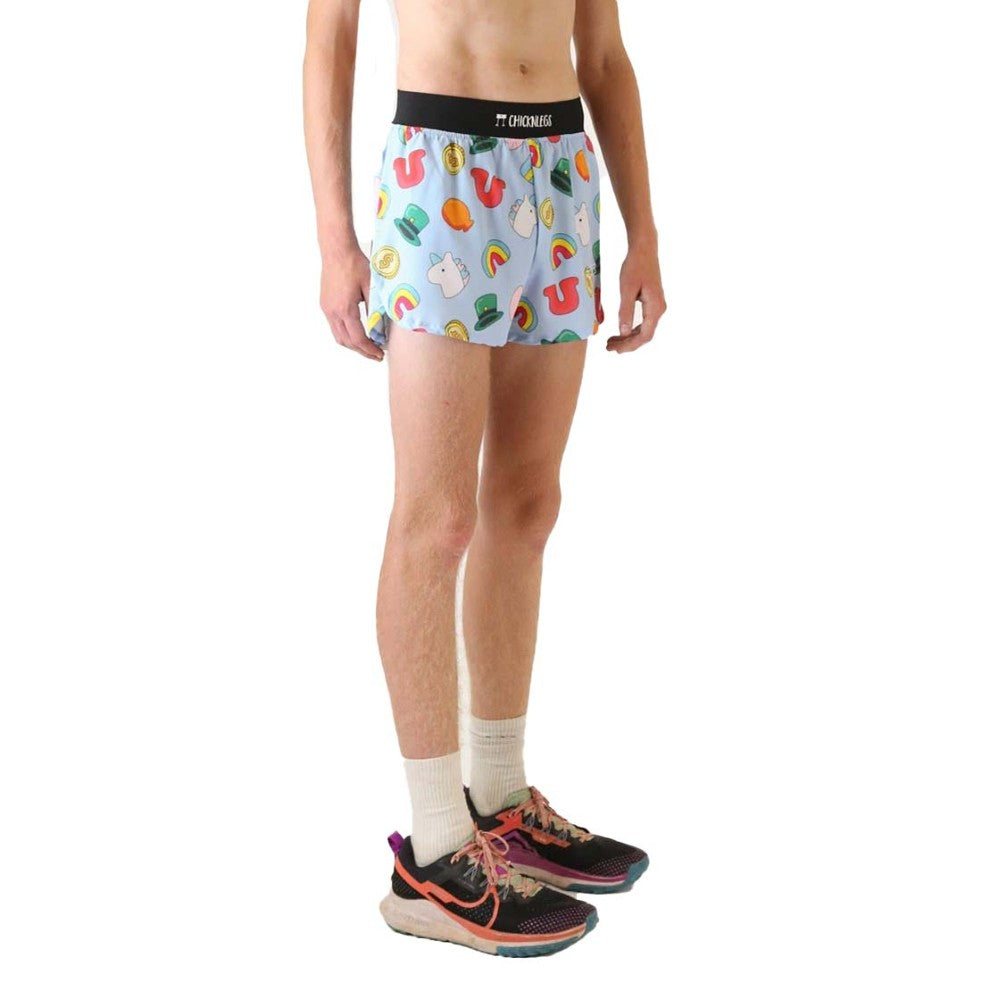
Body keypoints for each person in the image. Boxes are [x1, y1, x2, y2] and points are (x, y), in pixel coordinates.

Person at [303, 0, 666, 956]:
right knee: (436, 521)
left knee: (528, 507)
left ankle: (499, 800)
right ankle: (433, 851)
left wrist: (644, 234)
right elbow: (329, 36)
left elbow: (604, 54)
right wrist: (336, 238)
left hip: (561, 172)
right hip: (442, 163)